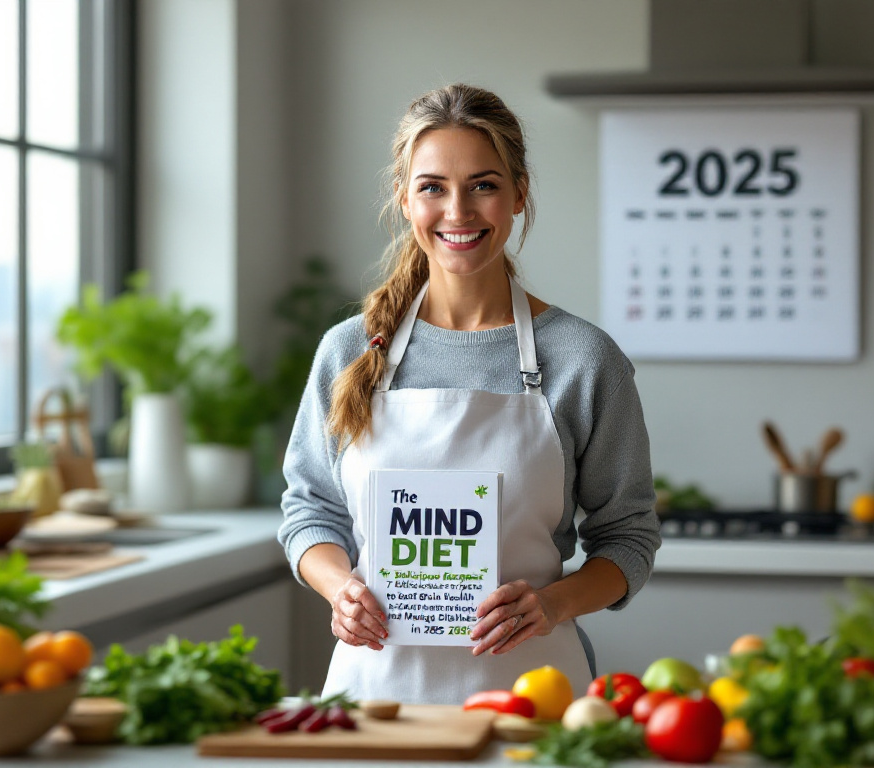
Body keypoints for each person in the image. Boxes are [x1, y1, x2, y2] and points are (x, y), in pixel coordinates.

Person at [278, 83, 660, 705]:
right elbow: (310, 510)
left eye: (483, 185)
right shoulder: (350, 350)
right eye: (433, 187)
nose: (458, 211)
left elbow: (629, 536)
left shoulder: (583, 359)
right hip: (374, 700)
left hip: (533, 699)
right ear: (405, 199)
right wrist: (338, 587)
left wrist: (552, 602)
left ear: (519, 195)